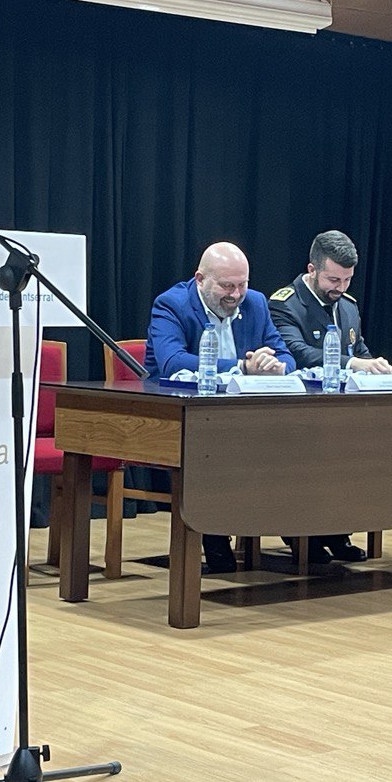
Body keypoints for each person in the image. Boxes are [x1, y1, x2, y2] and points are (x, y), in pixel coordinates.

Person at [145, 242, 296, 572]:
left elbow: (285, 355)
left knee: (294, 439)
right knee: (222, 446)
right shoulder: (171, 304)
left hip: (243, 414)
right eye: (227, 285)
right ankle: (213, 534)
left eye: (242, 284)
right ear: (200, 279)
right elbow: (172, 363)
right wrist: (243, 366)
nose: (236, 294)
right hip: (182, 417)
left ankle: (297, 526)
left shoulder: (255, 302)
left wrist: (275, 365)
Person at [269, 230, 392, 564]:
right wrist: (355, 362)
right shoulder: (284, 304)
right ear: (312, 269)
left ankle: (338, 533)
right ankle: (300, 534)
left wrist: (377, 366)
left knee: (358, 458)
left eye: (348, 280)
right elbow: (297, 352)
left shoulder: (348, 307)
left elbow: (360, 348)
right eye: (333, 279)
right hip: (297, 413)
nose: (340, 287)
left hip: (343, 413)